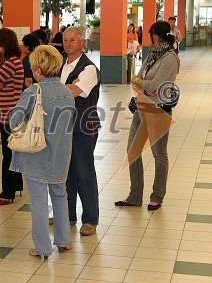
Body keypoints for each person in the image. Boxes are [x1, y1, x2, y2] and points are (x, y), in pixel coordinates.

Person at [9, 45, 74, 261]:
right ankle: (64, 240)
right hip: (61, 153)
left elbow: (14, 120)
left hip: (38, 153)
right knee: (60, 194)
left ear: (38, 69)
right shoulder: (67, 92)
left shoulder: (33, 91)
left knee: (38, 200)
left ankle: (43, 247)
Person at [115, 21, 180, 211]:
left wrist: (142, 82)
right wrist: (141, 82)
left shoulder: (170, 58)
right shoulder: (152, 55)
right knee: (132, 151)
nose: (148, 38)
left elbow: (153, 85)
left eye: (150, 34)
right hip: (142, 107)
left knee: (159, 154)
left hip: (158, 110)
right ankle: (134, 196)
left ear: (156, 36)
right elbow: (138, 80)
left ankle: (157, 197)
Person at [57, 26, 101, 236]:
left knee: (84, 173)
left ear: (82, 42)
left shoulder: (89, 68)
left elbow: (74, 92)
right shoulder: (61, 66)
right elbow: (62, 91)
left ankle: (90, 219)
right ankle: (68, 216)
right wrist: (67, 86)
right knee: (67, 174)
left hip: (84, 127)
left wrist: (66, 88)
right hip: (64, 127)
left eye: (72, 40)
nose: (68, 44)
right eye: (65, 40)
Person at [0, 28, 24, 206]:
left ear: (4, 44)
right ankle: (15, 186)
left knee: (8, 154)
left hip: (9, 115)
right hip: (12, 114)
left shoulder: (10, 63)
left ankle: (7, 192)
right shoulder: (13, 62)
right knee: (13, 153)